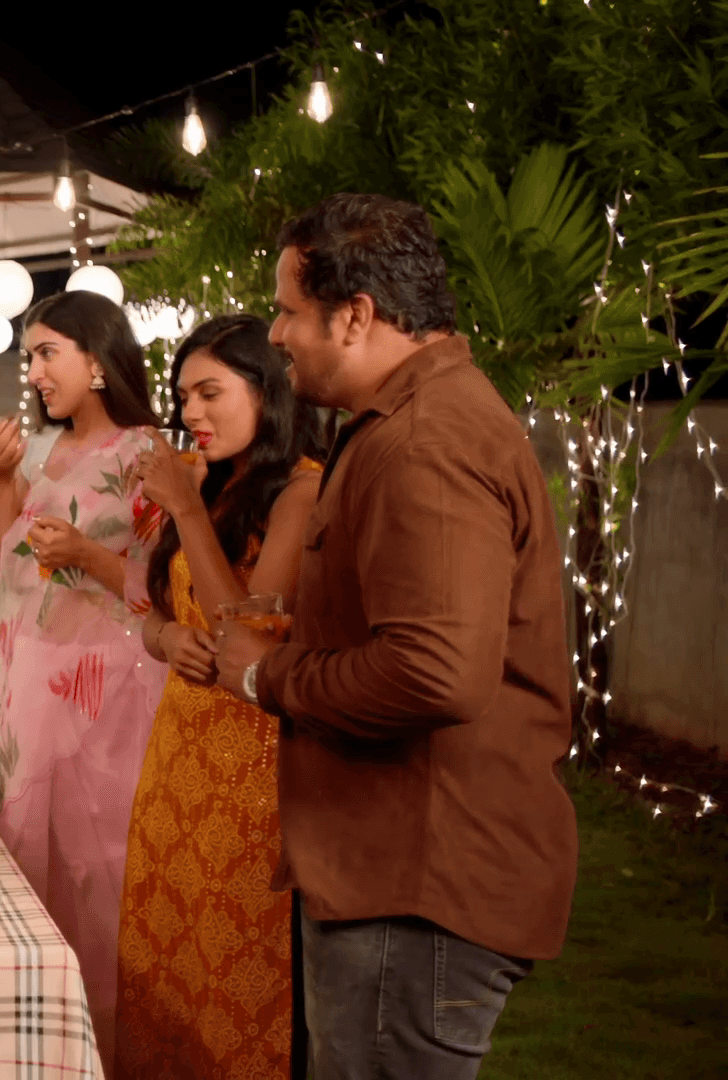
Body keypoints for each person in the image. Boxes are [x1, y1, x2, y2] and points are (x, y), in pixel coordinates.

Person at [212, 193, 578, 1080]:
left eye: (291, 312)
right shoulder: (407, 421)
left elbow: (437, 672)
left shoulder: (426, 437)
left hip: (417, 886)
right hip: (392, 877)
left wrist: (270, 676)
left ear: (357, 316)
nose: (278, 334)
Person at [114, 315, 324, 1079]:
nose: (190, 414)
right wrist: (165, 639)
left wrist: (188, 509)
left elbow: (249, 626)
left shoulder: (302, 488)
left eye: (210, 392)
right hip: (178, 758)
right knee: (166, 963)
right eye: (183, 397)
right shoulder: (215, 483)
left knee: (236, 966)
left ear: (268, 393)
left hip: (254, 772)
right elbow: (159, 613)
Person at [0, 289, 169, 1039]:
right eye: (29, 357)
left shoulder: (146, 453)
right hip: (27, 686)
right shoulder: (43, 453)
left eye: (47, 353)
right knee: (31, 859)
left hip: (102, 693)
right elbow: (3, 568)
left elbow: (165, 591)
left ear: (97, 360)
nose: (34, 373)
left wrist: (87, 554)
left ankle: (108, 1045)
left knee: (97, 871)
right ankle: (37, 1040)